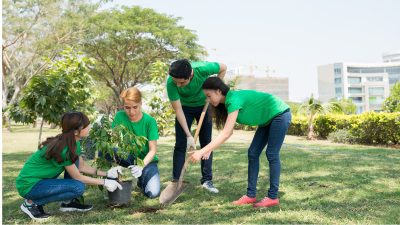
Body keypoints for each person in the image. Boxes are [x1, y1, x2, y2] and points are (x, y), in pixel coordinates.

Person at [189, 77, 291, 208]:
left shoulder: (233, 99)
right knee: (253, 153)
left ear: (218, 91)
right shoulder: (227, 104)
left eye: (209, 96)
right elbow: (229, 132)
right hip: (267, 120)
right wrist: (208, 149)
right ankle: (250, 195)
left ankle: (272, 197)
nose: (208, 100)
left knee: (271, 154)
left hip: (280, 114)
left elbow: (226, 133)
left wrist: (202, 151)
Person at [16, 111, 123, 221]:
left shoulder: (74, 143)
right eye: (86, 126)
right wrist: (104, 182)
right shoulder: (64, 148)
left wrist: (107, 173)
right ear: (76, 131)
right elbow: (78, 177)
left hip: (41, 182)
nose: (89, 127)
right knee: (78, 187)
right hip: (29, 185)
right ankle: (30, 203)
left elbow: (81, 167)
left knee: (77, 177)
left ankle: (68, 203)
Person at [167, 59, 227, 193]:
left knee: (206, 143)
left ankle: (207, 180)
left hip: (204, 106)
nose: (179, 85)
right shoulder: (171, 82)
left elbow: (223, 67)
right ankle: (177, 181)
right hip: (184, 108)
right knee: (180, 144)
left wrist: (214, 91)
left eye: (182, 82)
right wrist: (189, 135)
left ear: (191, 75)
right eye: (176, 82)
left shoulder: (202, 68)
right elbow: (178, 110)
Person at [109, 87, 161, 199]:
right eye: (127, 108)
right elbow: (113, 142)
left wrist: (141, 166)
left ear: (141, 103)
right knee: (109, 151)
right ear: (123, 106)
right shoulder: (119, 116)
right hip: (128, 157)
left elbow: (153, 151)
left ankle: (141, 180)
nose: (131, 112)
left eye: (135, 107)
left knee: (153, 193)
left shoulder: (149, 121)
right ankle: (112, 180)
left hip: (146, 161)